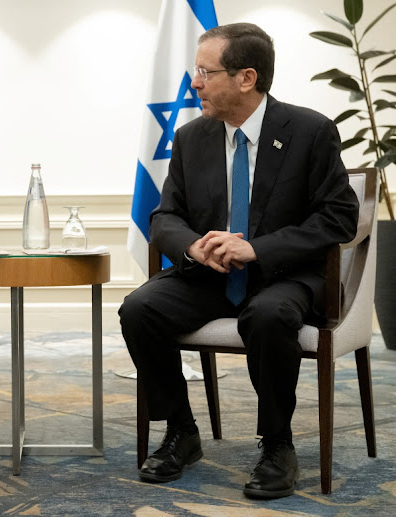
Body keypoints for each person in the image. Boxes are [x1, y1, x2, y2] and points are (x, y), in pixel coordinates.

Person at [119, 23, 359, 499]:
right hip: (209, 276)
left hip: (285, 277)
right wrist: (192, 245)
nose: (195, 83)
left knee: (268, 316)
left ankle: (276, 445)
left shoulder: (310, 131)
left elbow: (339, 219)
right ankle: (182, 432)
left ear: (246, 77)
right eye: (195, 71)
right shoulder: (192, 138)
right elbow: (165, 216)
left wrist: (258, 248)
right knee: (138, 309)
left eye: (205, 72)